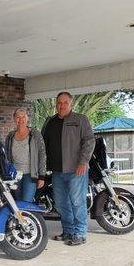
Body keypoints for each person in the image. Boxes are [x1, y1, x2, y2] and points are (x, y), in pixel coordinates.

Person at [42, 91, 95, 246]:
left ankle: (80, 233)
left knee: (77, 202)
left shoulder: (80, 119)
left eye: (65, 102)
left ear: (71, 104)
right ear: (56, 104)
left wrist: (83, 162)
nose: (62, 105)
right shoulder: (50, 122)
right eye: (59, 102)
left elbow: (89, 141)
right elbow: (43, 144)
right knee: (60, 203)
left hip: (75, 169)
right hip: (57, 171)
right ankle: (68, 231)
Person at [5, 108, 47, 202]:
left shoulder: (35, 134)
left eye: (23, 116)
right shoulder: (10, 136)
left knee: (26, 202)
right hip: (15, 175)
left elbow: (42, 154)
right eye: (18, 117)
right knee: (18, 203)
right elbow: (7, 157)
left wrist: (41, 176)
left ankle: (29, 217)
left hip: (30, 174)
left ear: (27, 118)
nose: (21, 119)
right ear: (14, 119)